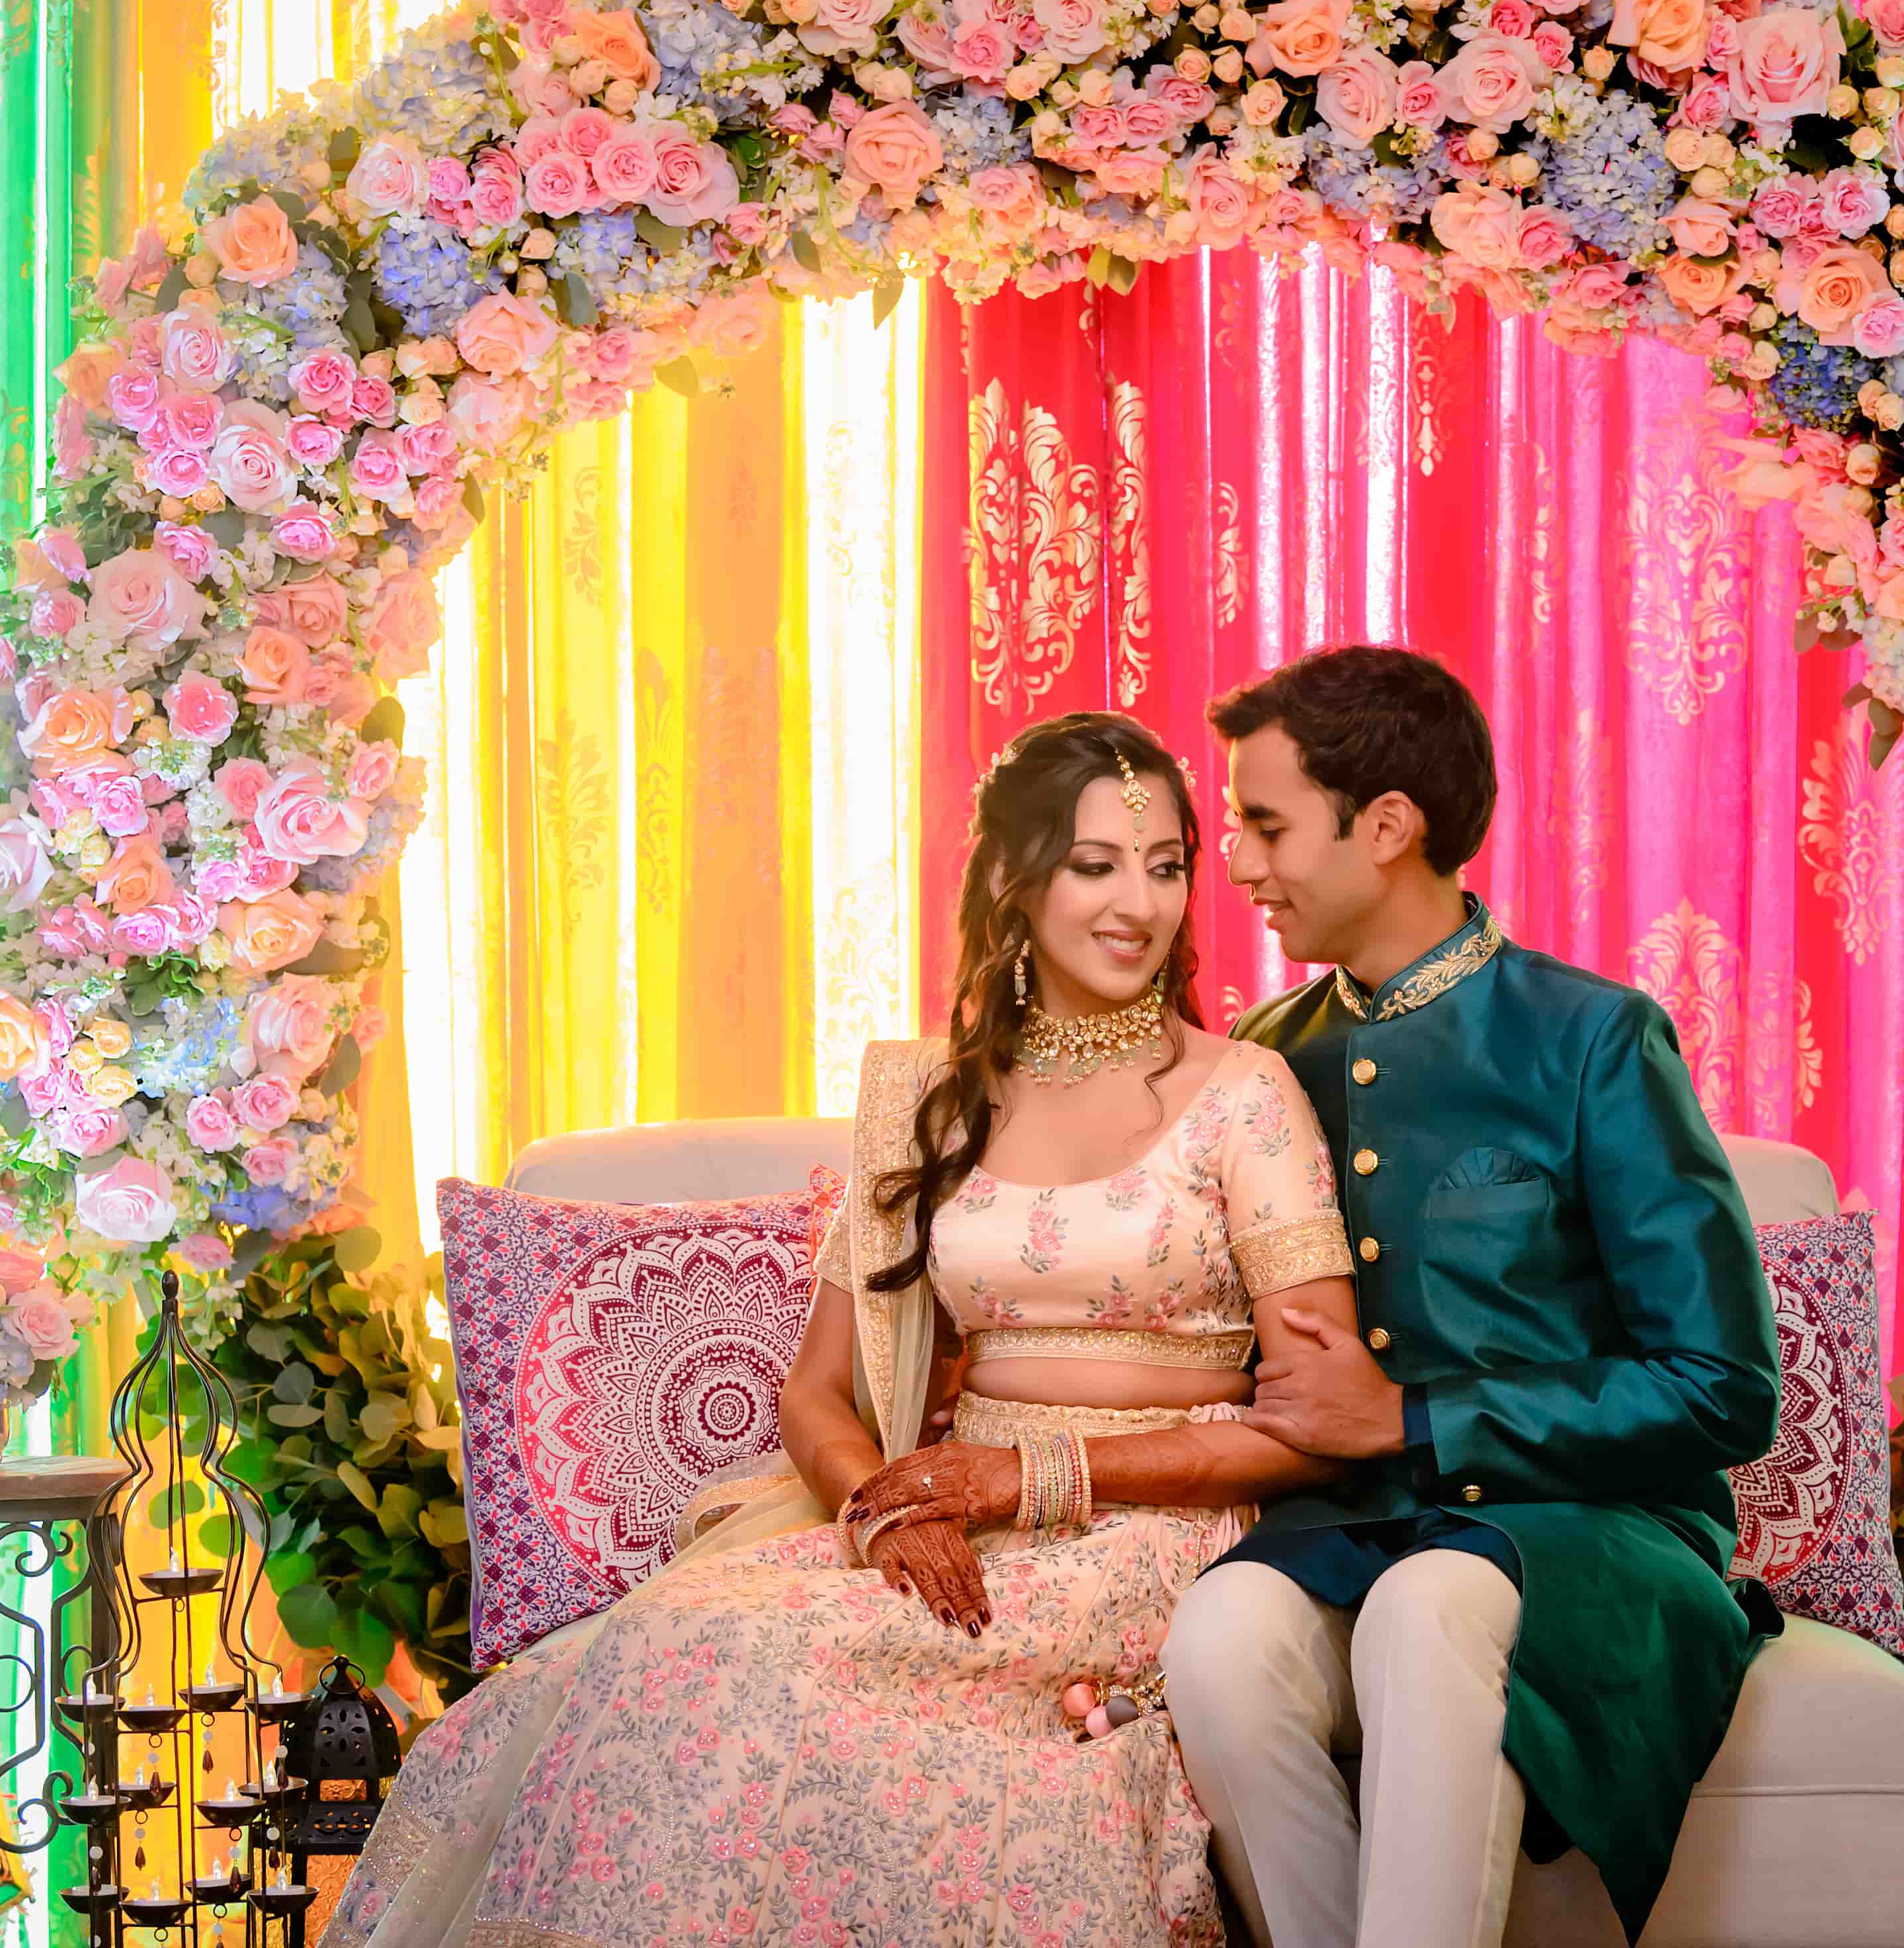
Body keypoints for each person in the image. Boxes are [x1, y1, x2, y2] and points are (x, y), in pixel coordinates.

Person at [326, 711, 1363, 1947]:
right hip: (937, 1518)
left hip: (1147, 1528)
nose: (1138, 901)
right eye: (1095, 864)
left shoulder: (1244, 1096)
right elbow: (814, 1393)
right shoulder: (929, 1105)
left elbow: (1315, 1427)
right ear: (1011, 879)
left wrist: (1030, 1477)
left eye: (1166, 863)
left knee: (761, 1683)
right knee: (671, 1646)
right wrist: (884, 1510)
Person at [1163, 644, 1783, 1948]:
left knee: (1431, 1601)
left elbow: (1723, 1386)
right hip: (1351, 1527)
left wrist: (1417, 1418)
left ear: (1386, 826)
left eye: (1265, 822)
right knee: (1221, 1628)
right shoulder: (1265, 1060)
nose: (1237, 860)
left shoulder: (1592, 1038)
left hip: (1594, 1539)